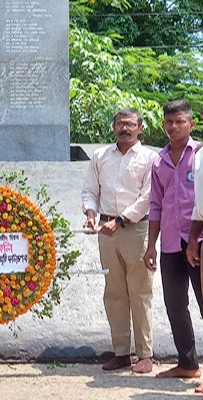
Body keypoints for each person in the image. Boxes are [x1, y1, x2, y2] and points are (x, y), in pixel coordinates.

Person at [81, 108, 157, 373]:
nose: (125, 128)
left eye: (130, 124)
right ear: (113, 127)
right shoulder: (100, 156)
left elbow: (148, 197)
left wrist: (121, 220)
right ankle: (121, 353)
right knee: (113, 293)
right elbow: (90, 191)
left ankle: (145, 354)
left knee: (140, 292)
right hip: (106, 230)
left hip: (136, 229)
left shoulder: (150, 158)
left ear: (140, 127)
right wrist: (91, 215)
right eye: (120, 124)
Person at [144, 99, 203, 386]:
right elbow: (155, 205)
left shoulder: (201, 155)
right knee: (175, 305)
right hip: (169, 243)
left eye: (179, 121)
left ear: (191, 123)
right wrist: (149, 245)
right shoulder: (159, 161)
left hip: (200, 242)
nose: (173, 126)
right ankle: (188, 364)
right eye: (169, 122)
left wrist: (195, 239)